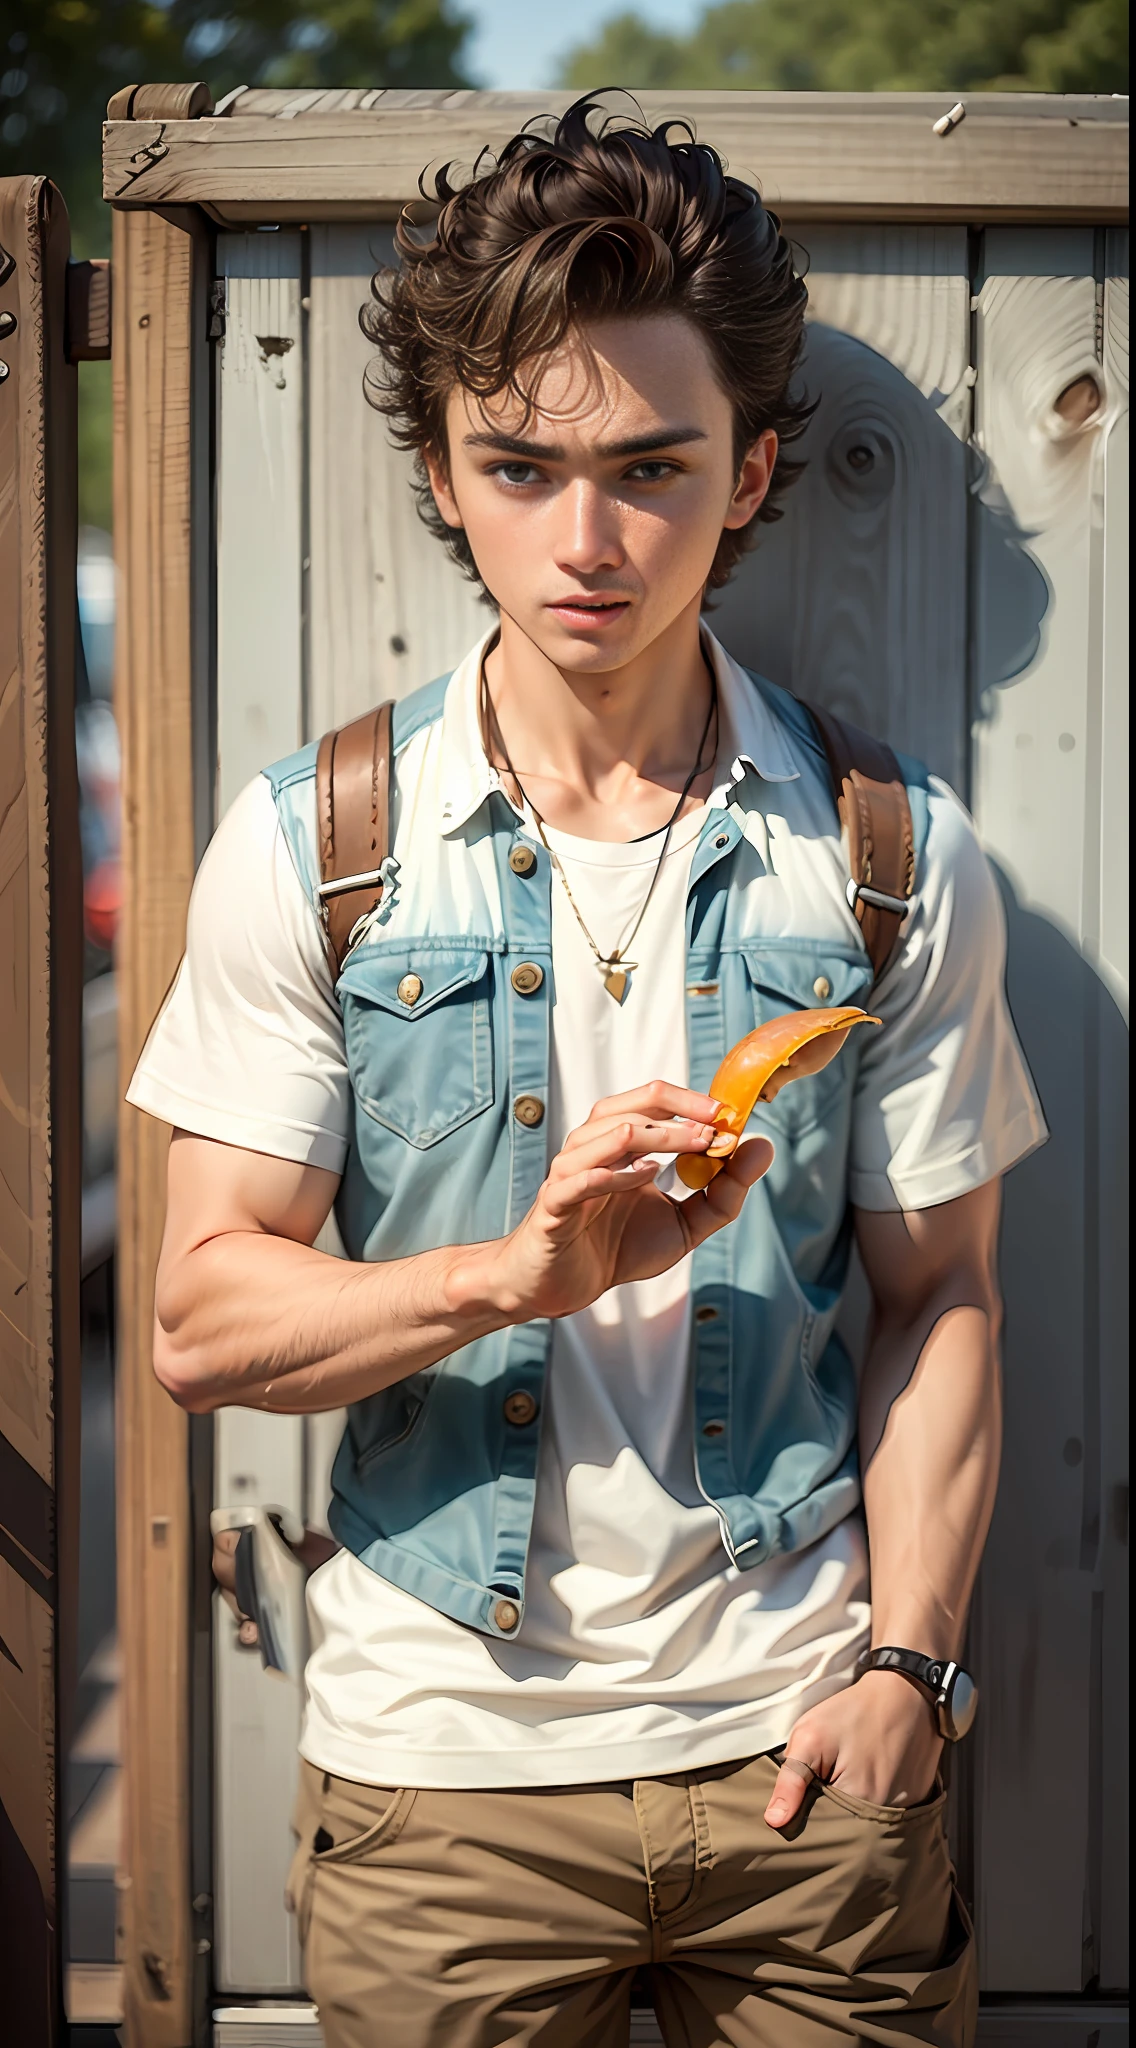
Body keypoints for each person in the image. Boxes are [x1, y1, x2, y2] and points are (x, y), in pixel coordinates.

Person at [130, 96, 1046, 2048]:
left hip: (810, 1776)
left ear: (754, 467)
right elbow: (200, 1320)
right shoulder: (316, 843)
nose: (588, 540)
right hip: (439, 1788)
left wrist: (909, 1672)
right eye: (520, 466)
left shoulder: (887, 855)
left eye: (652, 466)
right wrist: (506, 1275)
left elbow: (940, 1293)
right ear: (444, 478)